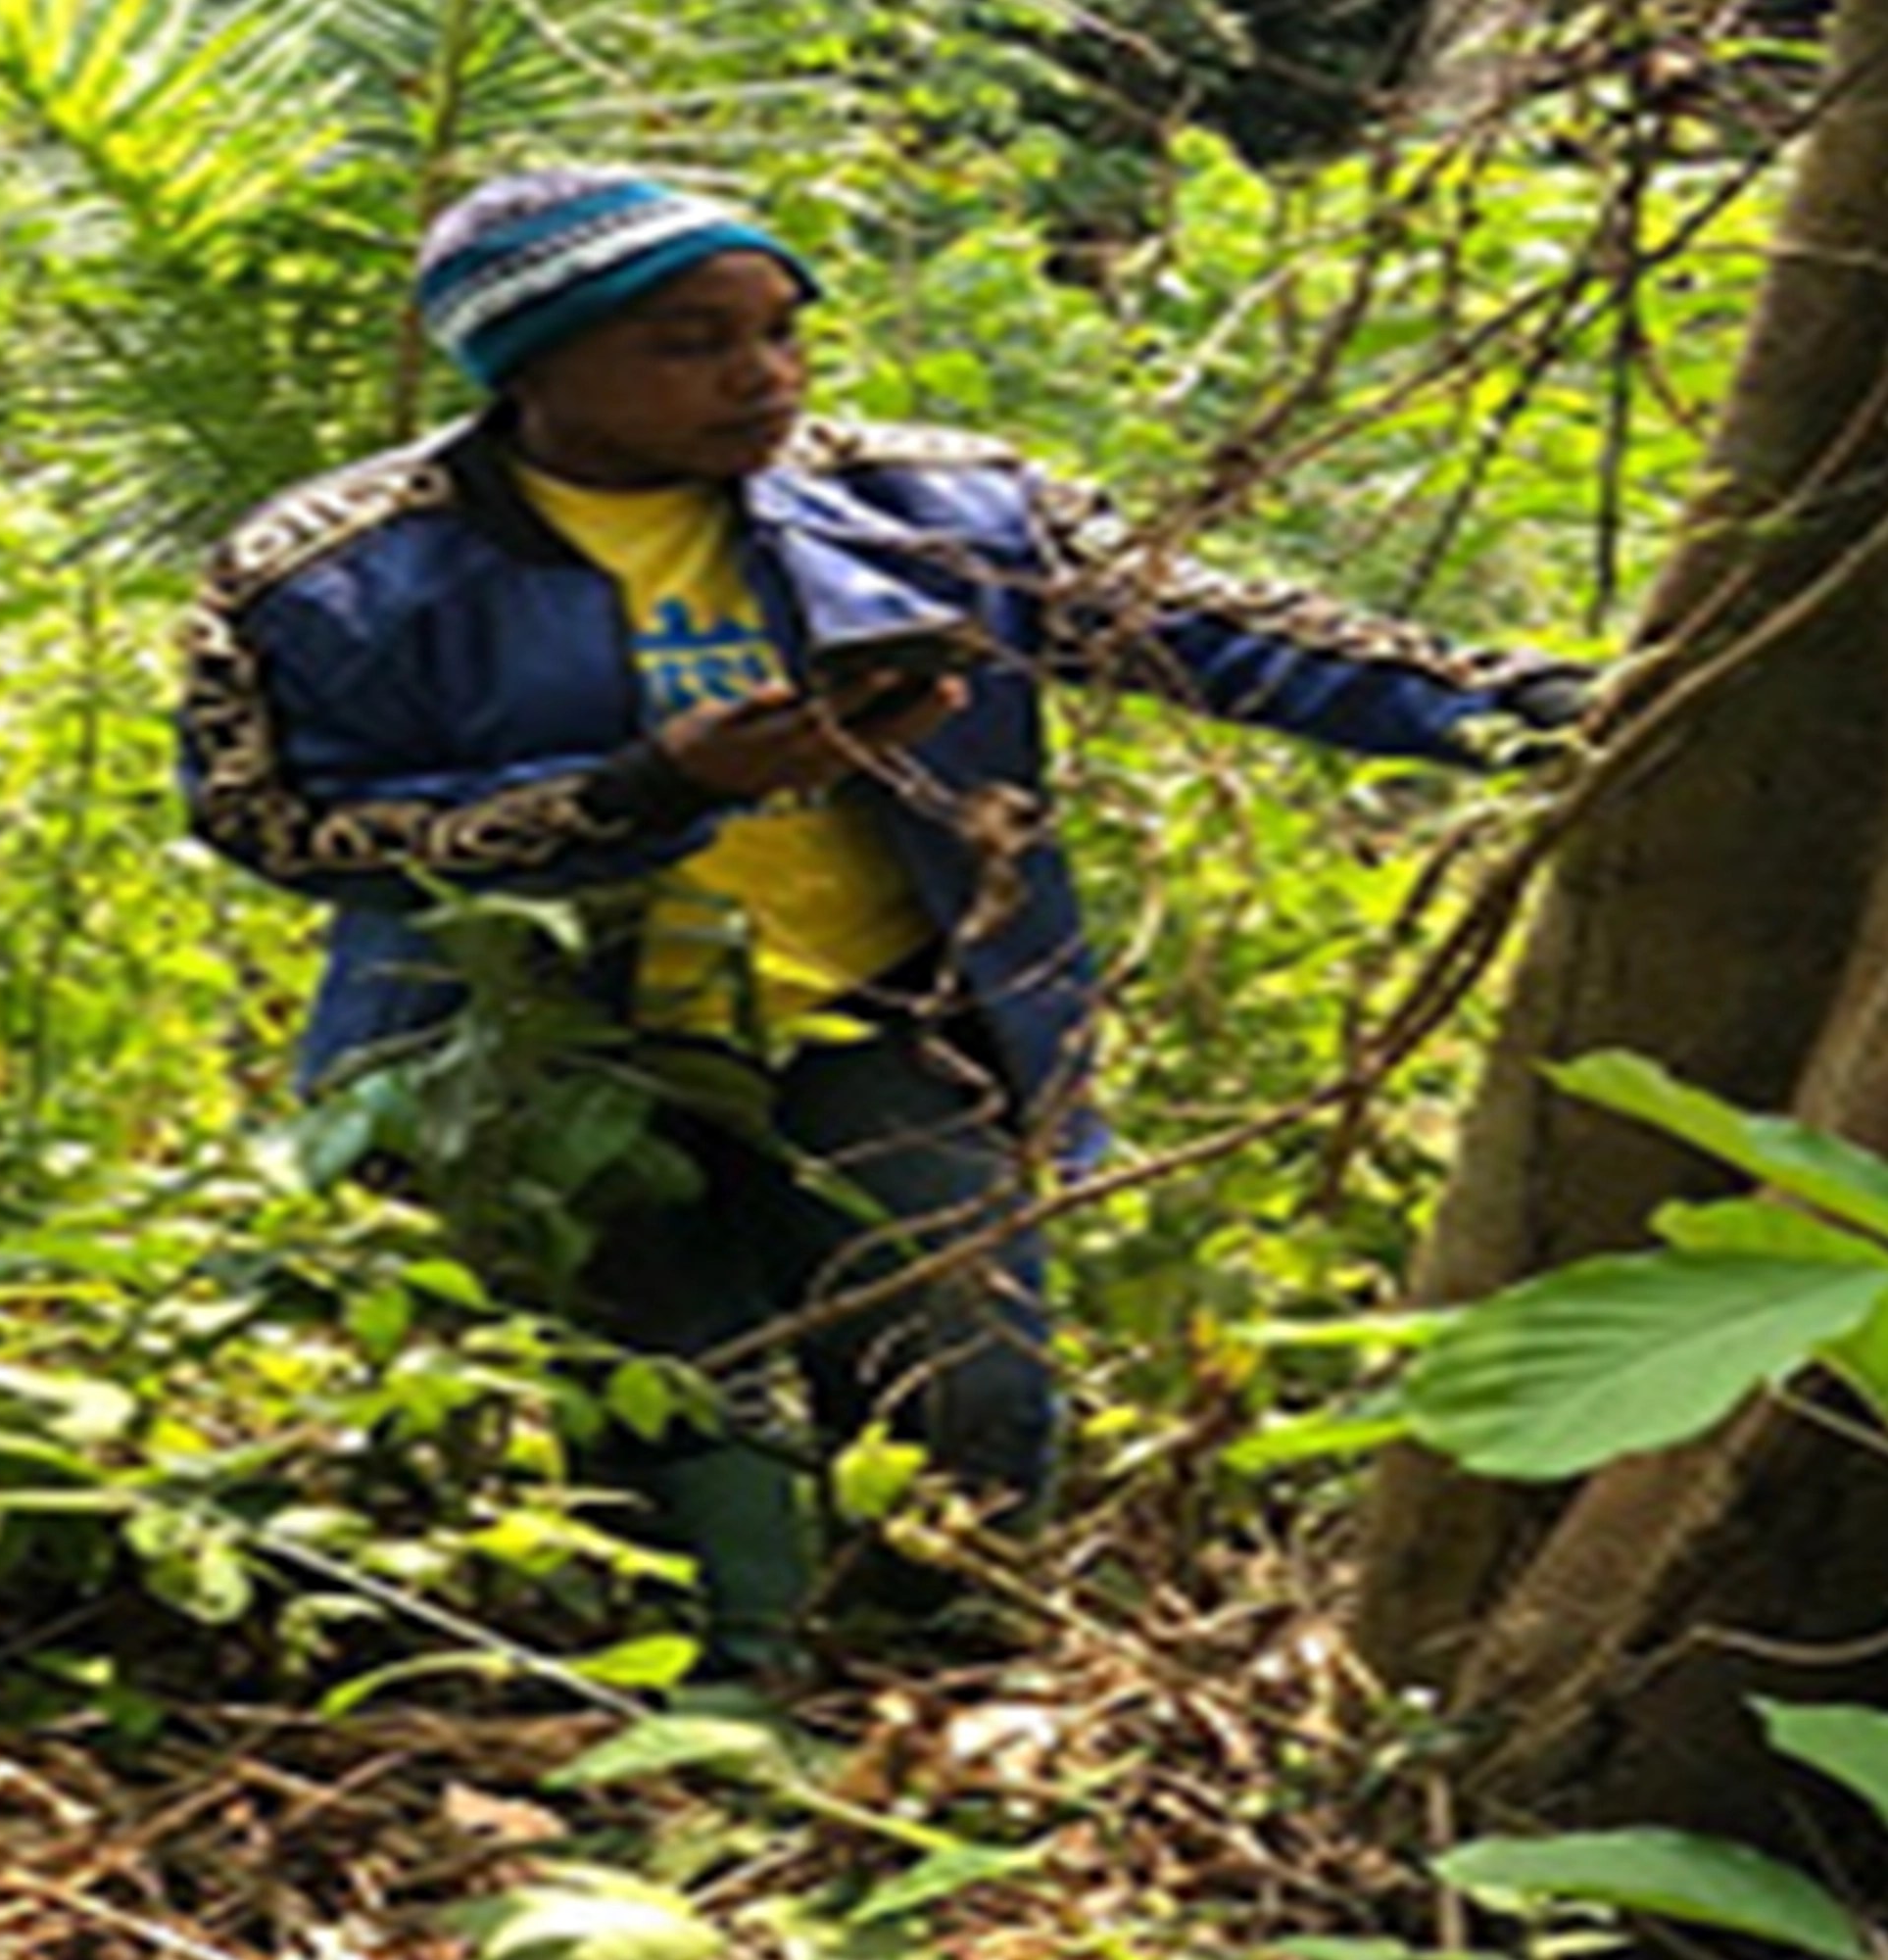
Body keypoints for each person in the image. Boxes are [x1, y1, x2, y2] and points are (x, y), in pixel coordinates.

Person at [177, 168, 1588, 1677]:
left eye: (780, 332)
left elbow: (1221, 632)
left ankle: (937, 1703)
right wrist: (636, 789)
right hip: (539, 1055)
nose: (760, 376)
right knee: (665, 1402)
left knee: (965, 1386)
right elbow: (276, 822)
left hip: (876, 1015)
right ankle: (727, 1729)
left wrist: (1518, 711)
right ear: (530, 368)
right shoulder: (335, 573)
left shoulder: (927, 508)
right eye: (687, 343)